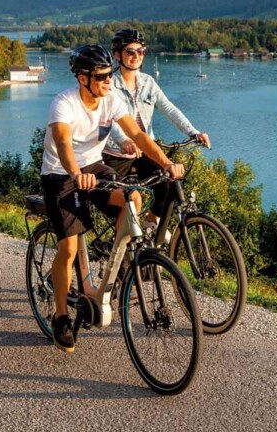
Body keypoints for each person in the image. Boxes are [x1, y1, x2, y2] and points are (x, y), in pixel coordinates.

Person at [41, 44, 184, 353]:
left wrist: (166, 163)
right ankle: (62, 316)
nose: (109, 81)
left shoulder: (110, 99)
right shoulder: (63, 104)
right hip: (61, 174)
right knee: (67, 248)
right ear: (83, 78)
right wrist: (76, 173)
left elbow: (139, 136)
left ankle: (114, 266)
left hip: (95, 167)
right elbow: (64, 143)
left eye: (109, 75)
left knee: (133, 198)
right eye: (102, 76)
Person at [104, 28, 209, 227]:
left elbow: (169, 108)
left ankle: (151, 223)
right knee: (126, 203)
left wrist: (193, 132)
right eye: (130, 51)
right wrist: (124, 140)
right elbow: (108, 120)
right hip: (116, 154)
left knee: (169, 182)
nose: (136, 56)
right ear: (118, 55)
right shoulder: (109, 85)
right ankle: (122, 251)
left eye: (140, 51)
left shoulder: (148, 82)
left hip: (144, 149)